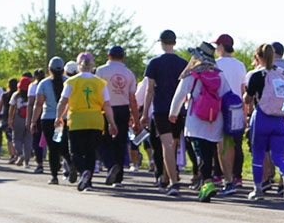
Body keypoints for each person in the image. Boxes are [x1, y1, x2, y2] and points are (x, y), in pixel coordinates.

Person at [169, 43, 233, 202]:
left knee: (200, 153)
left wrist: (173, 113)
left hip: (196, 119)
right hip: (215, 119)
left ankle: (207, 183)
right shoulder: (219, 74)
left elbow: (180, 94)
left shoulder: (193, 74)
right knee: (209, 152)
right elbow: (227, 96)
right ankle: (207, 182)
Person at [56, 52, 119, 191]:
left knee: (76, 152)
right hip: (95, 120)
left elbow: (63, 101)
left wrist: (58, 117)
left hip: (78, 119)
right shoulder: (100, 83)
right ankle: (88, 183)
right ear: (92, 65)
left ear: (78, 66)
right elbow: (107, 105)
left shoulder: (71, 82)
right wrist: (112, 123)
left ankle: (83, 172)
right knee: (91, 151)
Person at [244, 43, 284, 202]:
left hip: (262, 118)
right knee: (279, 155)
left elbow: (248, 98)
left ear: (258, 57)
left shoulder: (256, 75)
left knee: (258, 155)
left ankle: (258, 188)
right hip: (281, 119)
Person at [142, 30, 189, 196]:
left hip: (161, 108)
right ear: (174, 43)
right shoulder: (183, 63)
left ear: (161, 42)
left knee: (167, 145)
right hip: (178, 108)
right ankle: (165, 178)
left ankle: (174, 181)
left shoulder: (154, 63)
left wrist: (145, 113)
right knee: (173, 144)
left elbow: (149, 90)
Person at [96, 45, 139, 186]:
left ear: (109, 56)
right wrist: (136, 119)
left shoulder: (101, 71)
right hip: (123, 109)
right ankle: (118, 177)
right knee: (120, 142)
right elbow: (133, 98)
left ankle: (110, 165)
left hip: (104, 108)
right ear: (123, 57)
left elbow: (97, 93)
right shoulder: (129, 74)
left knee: (103, 141)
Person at [214, 34, 247, 194]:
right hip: (237, 107)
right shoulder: (240, 65)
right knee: (236, 144)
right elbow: (242, 90)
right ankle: (237, 176)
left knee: (222, 145)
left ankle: (226, 178)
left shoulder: (216, 64)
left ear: (221, 46)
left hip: (221, 106)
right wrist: (245, 113)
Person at [29, 57, 69, 184]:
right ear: (63, 70)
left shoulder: (44, 84)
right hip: (63, 119)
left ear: (49, 69)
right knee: (63, 145)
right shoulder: (68, 82)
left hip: (48, 119)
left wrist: (33, 121)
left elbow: (38, 104)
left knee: (52, 147)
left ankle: (54, 176)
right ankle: (70, 163)